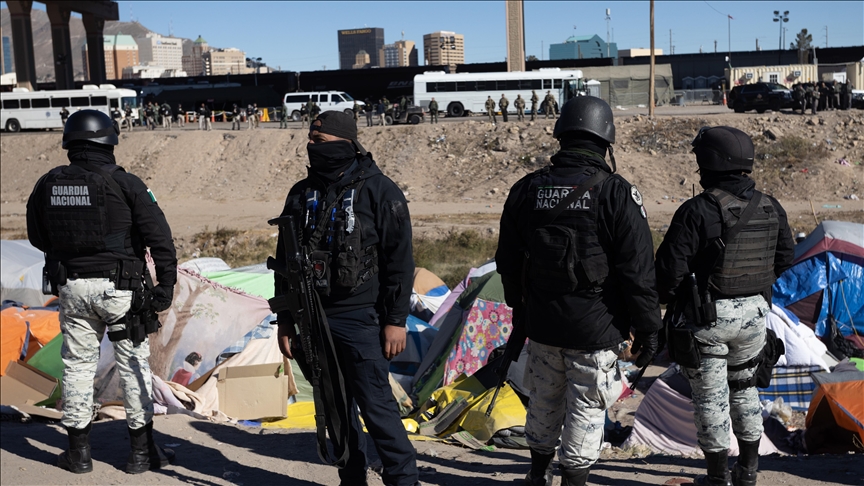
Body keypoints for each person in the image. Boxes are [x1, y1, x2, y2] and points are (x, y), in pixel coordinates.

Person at [496, 96, 662, 486]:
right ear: (606, 140)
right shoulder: (617, 192)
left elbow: (507, 259)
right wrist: (650, 329)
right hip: (595, 330)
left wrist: (521, 311)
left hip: (542, 325)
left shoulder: (526, 189)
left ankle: (537, 476)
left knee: (544, 400)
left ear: (561, 135)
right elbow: (638, 271)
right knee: (587, 408)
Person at [26, 109, 178, 475]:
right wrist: (166, 286)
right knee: (133, 366)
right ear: (109, 141)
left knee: (77, 367)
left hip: (73, 288)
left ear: (70, 143)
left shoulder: (48, 184)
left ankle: (78, 454)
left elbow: (36, 236)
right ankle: (142, 454)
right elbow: (160, 239)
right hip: (121, 291)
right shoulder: (127, 184)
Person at [272, 111, 419, 485]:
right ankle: (352, 478)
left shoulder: (379, 190)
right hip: (312, 318)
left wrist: (395, 321)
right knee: (334, 406)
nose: (310, 146)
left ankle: (403, 479)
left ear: (344, 143)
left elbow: (399, 261)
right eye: (309, 138)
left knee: (377, 406)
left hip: (360, 319)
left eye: (319, 141)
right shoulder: (301, 194)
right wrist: (286, 319)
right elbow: (284, 262)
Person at [654, 126, 795, 486]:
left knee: (712, 399)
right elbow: (785, 258)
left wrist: (671, 302)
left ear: (711, 163)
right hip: (755, 316)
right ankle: (748, 471)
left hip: (709, 318)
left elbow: (668, 273)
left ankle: (717, 479)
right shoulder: (770, 206)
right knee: (746, 390)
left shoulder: (697, 210)